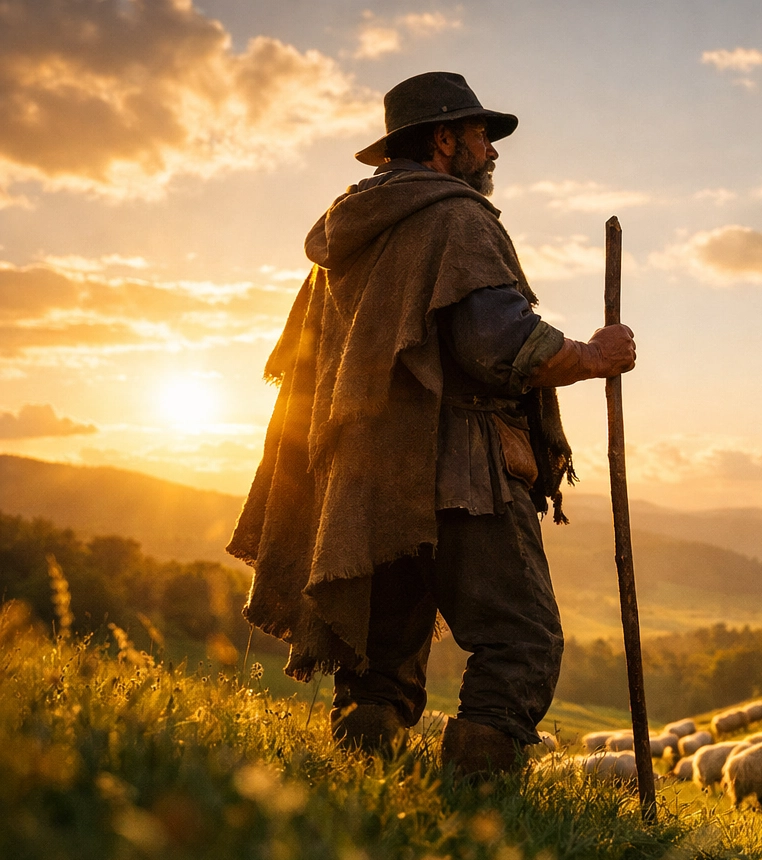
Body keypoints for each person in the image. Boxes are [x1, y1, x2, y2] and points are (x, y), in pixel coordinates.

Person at [228, 71, 635, 776]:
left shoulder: (350, 238)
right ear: (444, 140)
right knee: (521, 639)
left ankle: (362, 787)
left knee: (383, 656)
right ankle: (478, 810)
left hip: (369, 482)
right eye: (480, 134)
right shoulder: (456, 219)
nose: (492, 150)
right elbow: (498, 344)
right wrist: (593, 356)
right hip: (461, 471)